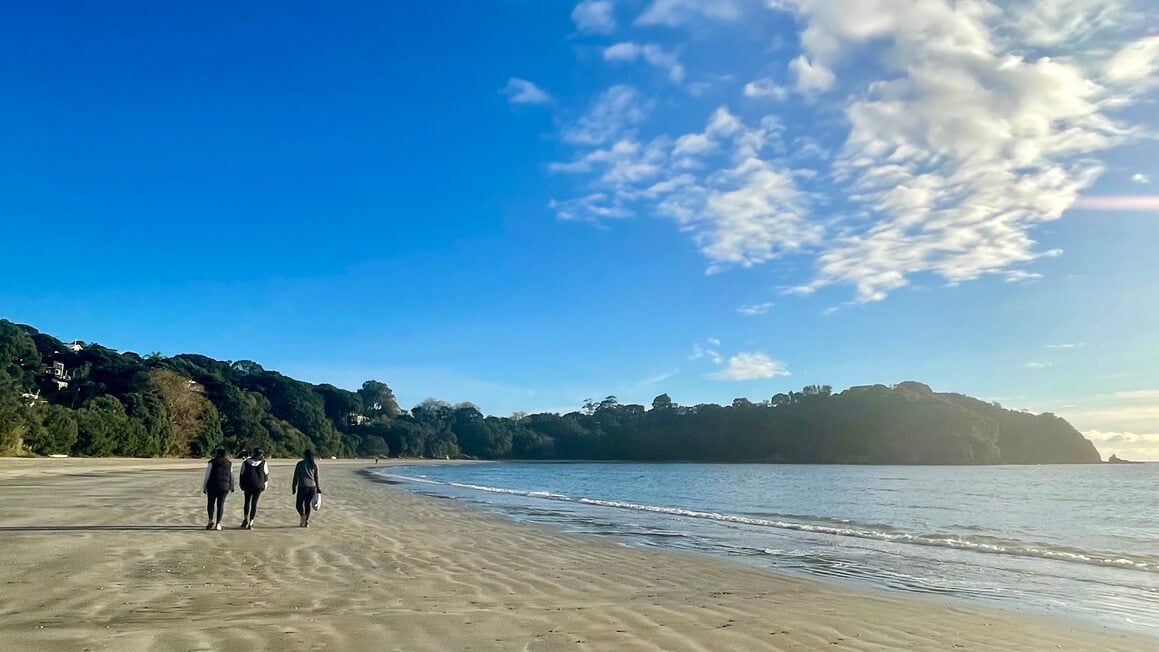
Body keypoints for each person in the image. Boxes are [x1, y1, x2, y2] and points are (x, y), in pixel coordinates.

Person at [201, 447, 234, 531]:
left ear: (217, 454)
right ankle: (218, 524)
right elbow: (231, 475)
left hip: (212, 485)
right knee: (220, 505)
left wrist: (204, 487)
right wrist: (231, 486)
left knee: (210, 503)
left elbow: (207, 475)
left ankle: (210, 520)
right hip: (224, 486)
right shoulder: (229, 463)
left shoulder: (212, 462)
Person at [238, 448, 269, 529]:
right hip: (258, 485)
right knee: (254, 503)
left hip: (248, 485)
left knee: (247, 502)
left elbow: (241, 474)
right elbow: (266, 475)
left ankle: (245, 519)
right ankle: (251, 522)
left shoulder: (246, 462)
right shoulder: (264, 463)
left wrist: (241, 484)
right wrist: (265, 485)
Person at [291, 449, 322, 527]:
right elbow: (316, 478)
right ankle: (306, 521)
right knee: (307, 504)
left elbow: (296, 476)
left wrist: (294, 486)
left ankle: (302, 515)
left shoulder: (300, 464)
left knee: (298, 505)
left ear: (304, 455)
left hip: (302, 487)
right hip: (312, 487)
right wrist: (318, 488)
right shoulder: (314, 465)